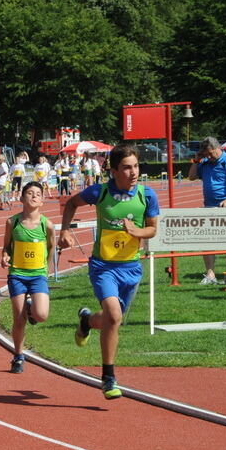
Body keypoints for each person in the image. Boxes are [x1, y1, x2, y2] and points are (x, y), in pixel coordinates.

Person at [58, 144, 159, 399]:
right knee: (114, 316)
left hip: (131, 268)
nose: (133, 172)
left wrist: (137, 232)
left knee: (113, 320)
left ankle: (87, 321)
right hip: (104, 267)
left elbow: (152, 229)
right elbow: (71, 204)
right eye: (126, 167)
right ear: (114, 170)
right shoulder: (100, 192)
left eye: (135, 166)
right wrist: (65, 231)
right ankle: (108, 377)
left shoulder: (147, 195)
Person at [1, 181, 53, 373]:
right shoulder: (12, 222)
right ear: (22, 198)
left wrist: (44, 266)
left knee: (42, 315)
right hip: (17, 275)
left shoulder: (47, 224)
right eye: (29, 193)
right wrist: (5, 256)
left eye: (37, 194)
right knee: (19, 318)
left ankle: (32, 308)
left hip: (38, 274)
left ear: (42, 200)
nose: (33, 196)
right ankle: (18, 356)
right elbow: (6, 246)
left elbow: (51, 247)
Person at [187, 137, 226, 284]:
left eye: (209, 153)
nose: (208, 156)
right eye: (205, 154)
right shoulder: (205, 162)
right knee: (207, 242)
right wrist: (196, 160)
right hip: (208, 205)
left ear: (216, 148)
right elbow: (191, 176)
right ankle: (210, 274)